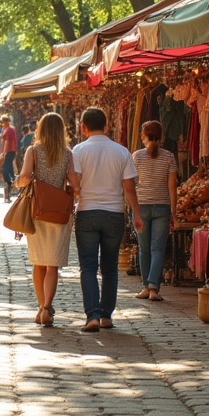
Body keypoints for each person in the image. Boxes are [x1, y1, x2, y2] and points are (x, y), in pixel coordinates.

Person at [70, 107, 142, 333]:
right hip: (114, 214)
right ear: (107, 125)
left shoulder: (78, 151)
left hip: (87, 212)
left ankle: (92, 315)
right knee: (110, 268)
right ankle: (106, 315)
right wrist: (137, 214)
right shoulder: (121, 152)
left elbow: (75, 185)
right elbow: (129, 186)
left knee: (88, 267)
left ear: (83, 127)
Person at [15, 112, 78, 327]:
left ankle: (41, 307)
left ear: (40, 129)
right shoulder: (67, 154)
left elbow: (24, 177)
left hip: (38, 212)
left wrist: (20, 182)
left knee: (38, 263)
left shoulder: (33, 151)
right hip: (59, 213)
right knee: (53, 265)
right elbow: (75, 183)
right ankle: (47, 307)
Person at [132, 120, 178, 301]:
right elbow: (172, 185)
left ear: (144, 135)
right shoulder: (169, 157)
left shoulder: (137, 156)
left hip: (141, 206)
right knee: (157, 249)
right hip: (162, 207)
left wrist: (132, 207)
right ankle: (153, 288)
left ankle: (146, 286)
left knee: (144, 249)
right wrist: (173, 211)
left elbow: (132, 183)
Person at [0, 115, 19, 203]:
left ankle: (9, 183)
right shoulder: (6, 129)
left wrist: (4, 153)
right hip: (8, 151)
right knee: (8, 168)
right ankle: (10, 184)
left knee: (5, 168)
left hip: (9, 151)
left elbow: (8, 142)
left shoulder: (9, 129)